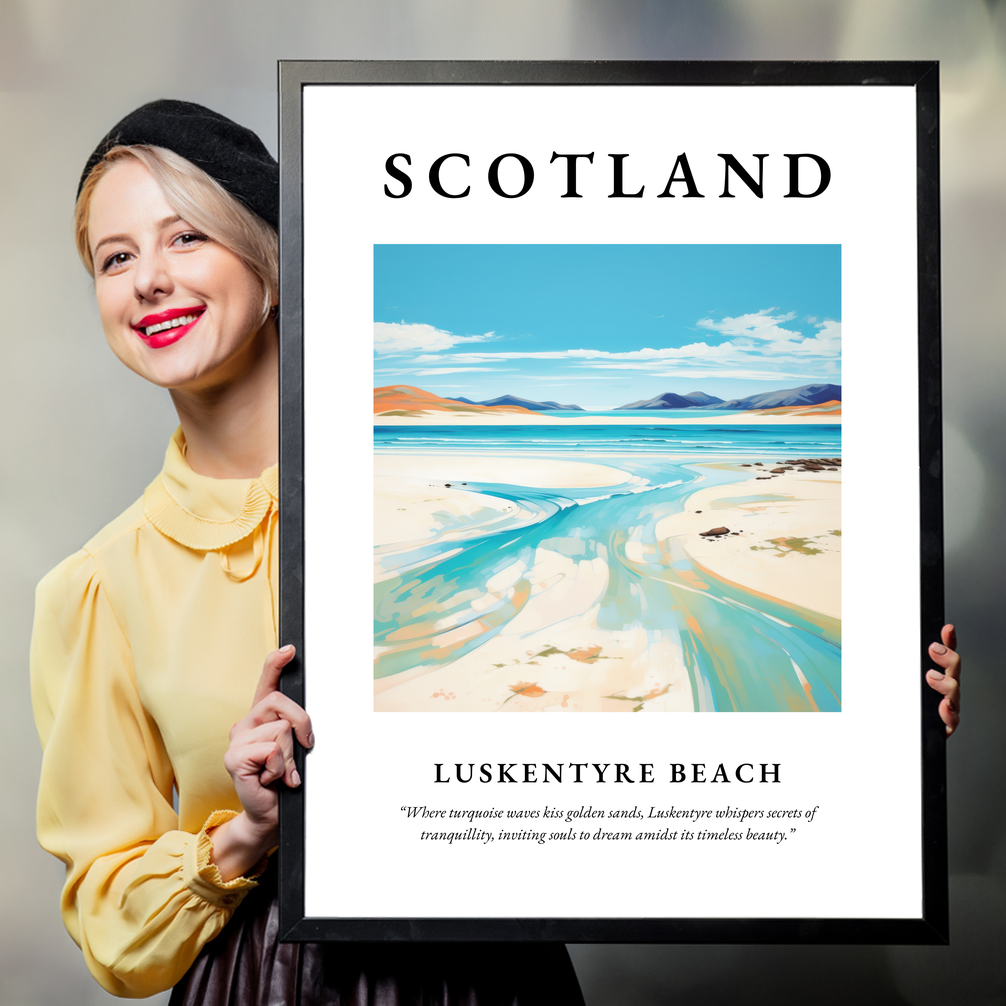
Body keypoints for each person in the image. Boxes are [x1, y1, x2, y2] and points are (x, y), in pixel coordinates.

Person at [30, 100, 586, 1004]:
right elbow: (110, 923)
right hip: (262, 982)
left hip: (492, 973)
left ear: (273, 263)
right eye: (116, 257)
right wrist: (245, 832)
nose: (148, 281)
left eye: (186, 238)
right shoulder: (97, 587)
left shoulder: (445, 499)